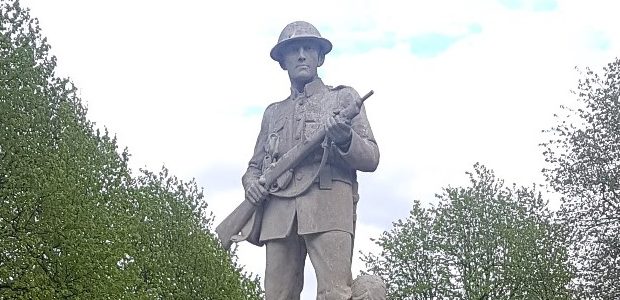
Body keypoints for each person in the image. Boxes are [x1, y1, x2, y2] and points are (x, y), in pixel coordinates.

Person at [242, 21, 380, 300]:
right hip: (279, 213)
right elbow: (254, 166)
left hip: (328, 205)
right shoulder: (273, 113)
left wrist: (344, 140)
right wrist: (251, 184)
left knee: (335, 294)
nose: (302, 55)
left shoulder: (343, 98)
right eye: (293, 50)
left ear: (320, 57)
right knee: (277, 295)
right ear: (283, 61)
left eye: (309, 49)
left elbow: (371, 157)